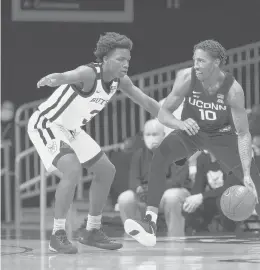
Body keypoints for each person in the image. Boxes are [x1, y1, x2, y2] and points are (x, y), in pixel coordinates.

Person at [28, 32, 160, 253]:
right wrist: (57, 78)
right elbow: (70, 75)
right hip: (47, 124)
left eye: (128, 59)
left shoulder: (120, 81)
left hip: (71, 129)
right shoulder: (89, 73)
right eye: (120, 59)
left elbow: (146, 101)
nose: (126, 64)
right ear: (105, 59)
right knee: (71, 169)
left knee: (106, 170)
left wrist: (174, 120)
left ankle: (92, 231)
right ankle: (57, 234)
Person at [124, 39, 260, 247]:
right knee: (160, 155)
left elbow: (242, 133)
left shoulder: (233, 90)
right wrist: (179, 123)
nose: (196, 65)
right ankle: (149, 223)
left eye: (202, 61)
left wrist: (247, 172)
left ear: (216, 63)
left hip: (222, 136)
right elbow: (163, 113)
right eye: (194, 60)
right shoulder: (187, 77)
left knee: (254, 182)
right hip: (192, 130)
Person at [117, 119, 190, 237]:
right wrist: (139, 189)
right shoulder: (139, 154)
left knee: (171, 196)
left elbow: (177, 181)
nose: (152, 138)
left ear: (164, 135)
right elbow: (133, 180)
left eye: (155, 134)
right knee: (125, 198)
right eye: (148, 134)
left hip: (170, 193)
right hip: (146, 195)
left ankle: (176, 238)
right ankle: (134, 236)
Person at [184, 150, 237, 234]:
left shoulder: (231, 157)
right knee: (189, 206)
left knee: (222, 201)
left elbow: (229, 188)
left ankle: (230, 236)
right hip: (215, 197)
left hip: (238, 197)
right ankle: (199, 234)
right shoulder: (202, 158)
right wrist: (192, 200)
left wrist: (201, 196)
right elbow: (198, 186)